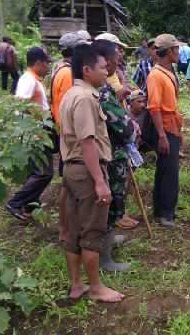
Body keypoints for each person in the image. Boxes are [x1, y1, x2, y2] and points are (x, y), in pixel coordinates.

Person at [58, 43, 124, 303]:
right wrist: (100, 181)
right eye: (102, 67)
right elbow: (88, 142)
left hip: (71, 170)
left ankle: (77, 285)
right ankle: (96, 287)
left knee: (72, 231)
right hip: (87, 171)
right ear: (87, 70)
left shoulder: (71, 94)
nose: (107, 70)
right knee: (91, 232)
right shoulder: (86, 98)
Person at [94, 40, 139, 271]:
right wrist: (131, 127)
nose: (114, 64)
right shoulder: (100, 93)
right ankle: (105, 259)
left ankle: (109, 241)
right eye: (111, 61)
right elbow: (123, 127)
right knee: (110, 205)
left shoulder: (104, 88)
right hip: (110, 156)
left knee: (116, 202)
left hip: (115, 152)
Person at [5, 47, 54, 220]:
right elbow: (20, 106)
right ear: (39, 63)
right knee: (44, 172)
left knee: (36, 171)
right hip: (35, 132)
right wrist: (29, 129)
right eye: (47, 63)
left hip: (38, 130)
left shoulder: (33, 79)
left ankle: (29, 206)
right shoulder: (29, 81)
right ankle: (16, 202)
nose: (48, 67)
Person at [50, 32, 90, 240]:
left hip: (65, 134)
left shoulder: (60, 70)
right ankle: (67, 230)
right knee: (70, 187)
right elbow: (71, 107)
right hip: (70, 137)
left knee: (69, 186)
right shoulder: (67, 75)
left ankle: (68, 228)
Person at [147, 34, 183, 228]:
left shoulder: (167, 72)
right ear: (169, 51)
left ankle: (161, 210)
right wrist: (162, 135)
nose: (179, 53)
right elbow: (154, 107)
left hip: (172, 127)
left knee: (165, 169)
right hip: (165, 128)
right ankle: (166, 214)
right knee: (169, 172)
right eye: (176, 49)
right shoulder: (156, 75)